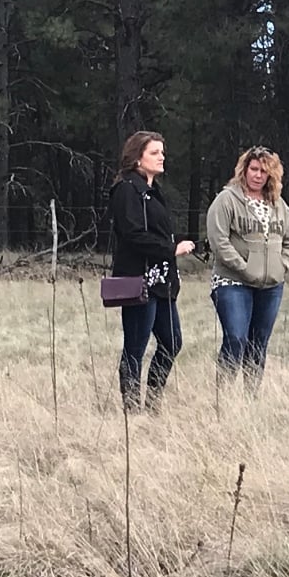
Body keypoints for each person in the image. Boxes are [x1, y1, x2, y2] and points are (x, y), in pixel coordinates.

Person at [109, 131, 195, 412]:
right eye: (154, 152)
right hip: (138, 279)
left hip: (163, 281)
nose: (162, 157)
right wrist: (171, 249)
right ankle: (131, 410)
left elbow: (157, 231)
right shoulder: (126, 190)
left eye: (162, 152)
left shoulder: (153, 192)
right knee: (135, 347)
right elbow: (132, 234)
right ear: (137, 158)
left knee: (172, 342)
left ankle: (153, 403)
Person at [206, 146, 289, 391]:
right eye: (254, 169)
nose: (258, 175)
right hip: (232, 283)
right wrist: (243, 267)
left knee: (259, 344)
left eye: (264, 171)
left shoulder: (279, 205)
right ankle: (223, 395)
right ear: (244, 170)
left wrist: (283, 265)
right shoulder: (226, 200)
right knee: (236, 338)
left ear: (272, 175)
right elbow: (219, 241)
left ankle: (251, 399)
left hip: (270, 285)